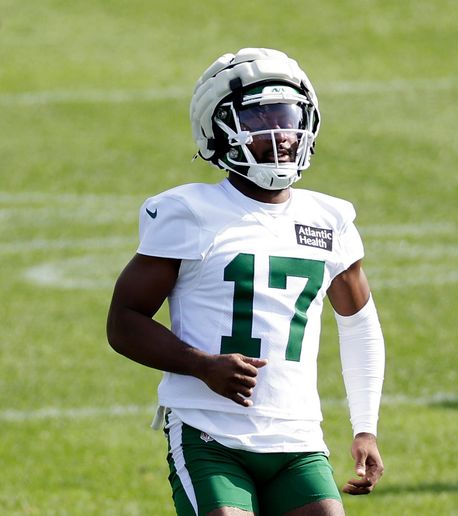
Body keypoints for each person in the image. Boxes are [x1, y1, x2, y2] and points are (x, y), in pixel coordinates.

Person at [106, 48, 385, 516]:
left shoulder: (330, 218)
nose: (282, 134)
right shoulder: (189, 211)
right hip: (208, 431)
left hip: (297, 437)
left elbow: (359, 326)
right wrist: (203, 365)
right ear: (221, 131)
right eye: (260, 119)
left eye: (290, 117)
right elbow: (124, 321)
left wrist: (365, 426)